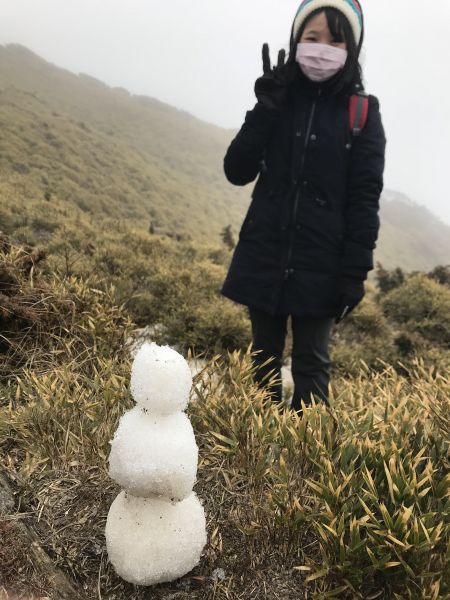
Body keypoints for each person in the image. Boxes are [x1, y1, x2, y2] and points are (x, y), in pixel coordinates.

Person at [220, 0, 386, 414]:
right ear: (295, 42)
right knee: (263, 360)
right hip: (265, 252)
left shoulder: (363, 113)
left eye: (335, 39)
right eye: (311, 38)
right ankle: (256, 458)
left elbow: (365, 199)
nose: (322, 47)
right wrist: (264, 109)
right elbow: (236, 170)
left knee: (312, 366)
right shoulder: (278, 99)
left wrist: (354, 273)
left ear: (352, 48)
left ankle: (302, 463)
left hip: (323, 263)